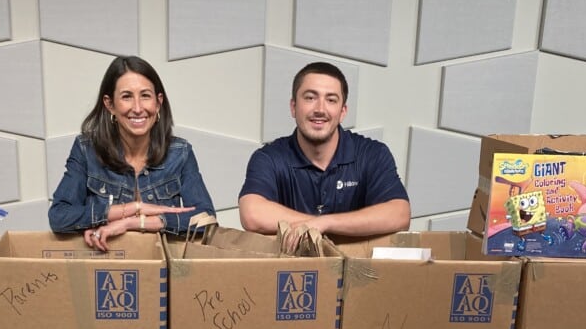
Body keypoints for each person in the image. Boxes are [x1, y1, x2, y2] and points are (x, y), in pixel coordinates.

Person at [49, 56, 215, 251]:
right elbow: (59, 216)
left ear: (158, 102)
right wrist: (135, 208)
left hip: (163, 270)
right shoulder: (87, 149)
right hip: (106, 268)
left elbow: (205, 219)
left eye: (145, 95)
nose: (137, 108)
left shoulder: (180, 153)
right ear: (110, 104)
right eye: (126, 96)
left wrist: (131, 222)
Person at [238, 62, 410, 240]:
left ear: (343, 111)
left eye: (331, 100)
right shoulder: (269, 158)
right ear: (293, 107)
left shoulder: (373, 154)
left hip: (357, 267)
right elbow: (252, 214)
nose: (320, 109)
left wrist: (325, 223)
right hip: (294, 268)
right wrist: (314, 224)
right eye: (310, 98)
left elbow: (399, 214)